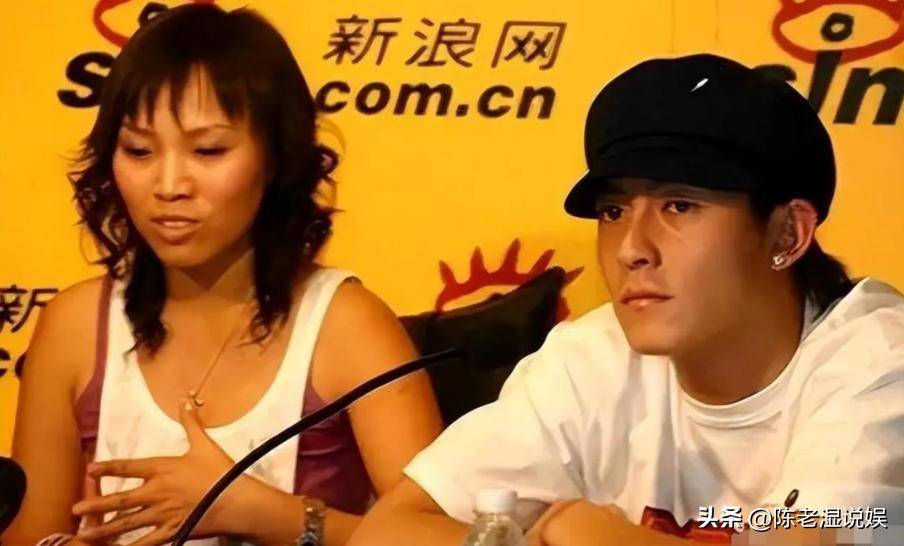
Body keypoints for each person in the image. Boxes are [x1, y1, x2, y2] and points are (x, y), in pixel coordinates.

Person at [348, 54, 904, 546]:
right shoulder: (592, 356)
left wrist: (596, 537)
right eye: (613, 212)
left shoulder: (879, 362)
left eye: (680, 206)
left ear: (787, 234)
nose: (632, 249)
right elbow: (389, 531)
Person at [4, 5, 443, 546]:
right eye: (138, 151)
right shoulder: (74, 326)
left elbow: (447, 538)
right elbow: (29, 535)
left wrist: (261, 512)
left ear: (275, 158)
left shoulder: (347, 326)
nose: (169, 185)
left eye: (208, 150)